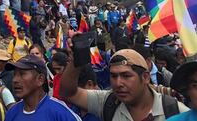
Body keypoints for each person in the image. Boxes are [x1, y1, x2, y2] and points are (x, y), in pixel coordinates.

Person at [60, 48, 189, 121]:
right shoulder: (107, 102)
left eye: (126, 76)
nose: (118, 83)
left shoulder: (175, 111)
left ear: (145, 77)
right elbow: (69, 93)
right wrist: (77, 57)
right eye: (113, 76)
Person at [4, 54, 81, 121]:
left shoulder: (59, 112)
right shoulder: (12, 113)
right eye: (14, 74)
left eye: (22, 74)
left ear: (40, 79)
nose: (15, 80)